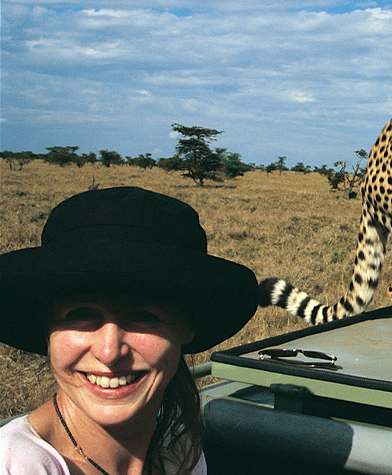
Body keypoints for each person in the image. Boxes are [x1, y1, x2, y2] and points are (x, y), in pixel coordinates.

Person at [0, 187, 259, 475]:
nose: (110, 352)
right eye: (81, 315)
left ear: (187, 327)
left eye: (143, 316)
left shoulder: (179, 449)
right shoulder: (16, 465)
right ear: (47, 327)